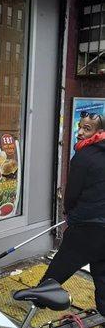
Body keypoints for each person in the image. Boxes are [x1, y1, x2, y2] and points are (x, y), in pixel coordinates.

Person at [41, 111, 105, 315]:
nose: (79, 132)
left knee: (61, 264)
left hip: (87, 226)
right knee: (103, 275)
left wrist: (69, 212)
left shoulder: (83, 156)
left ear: (99, 132)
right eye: (79, 126)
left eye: (87, 128)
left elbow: (72, 193)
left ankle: (38, 299)